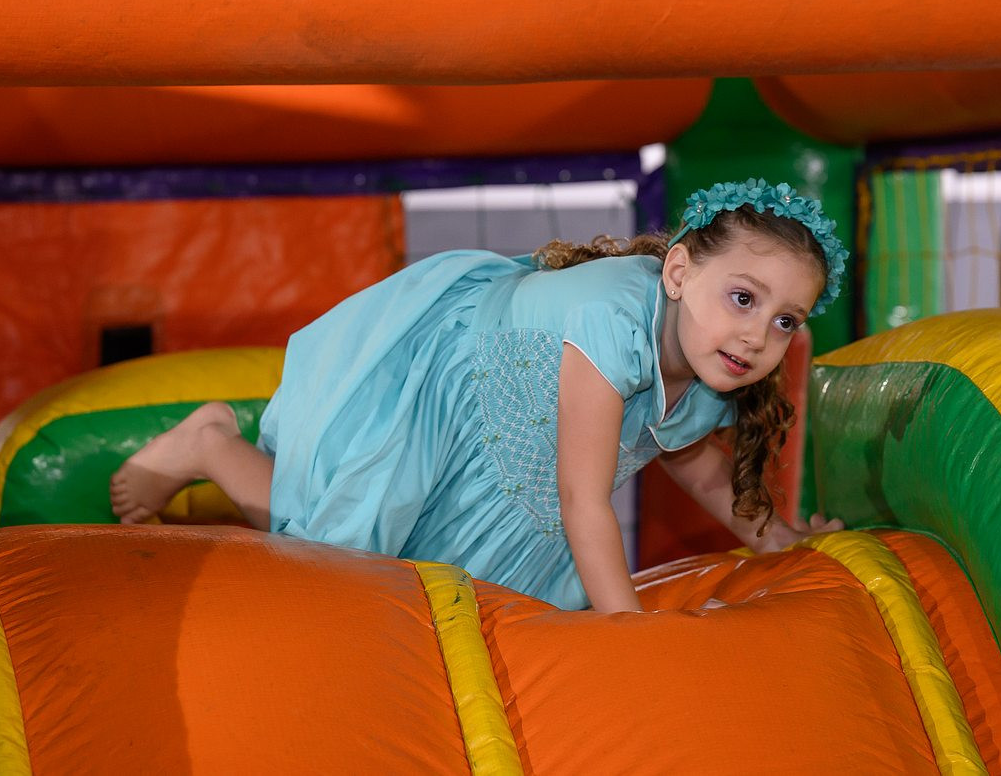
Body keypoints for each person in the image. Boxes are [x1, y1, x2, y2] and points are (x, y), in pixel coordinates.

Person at [110, 178, 849, 613]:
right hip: (450, 382)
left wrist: (779, 542)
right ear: (680, 273)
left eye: (785, 320)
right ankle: (210, 443)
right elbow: (581, 497)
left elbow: (699, 468)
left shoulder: (712, 363)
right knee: (334, 558)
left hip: (521, 458)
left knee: (431, 597)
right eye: (744, 298)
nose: (758, 335)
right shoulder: (611, 320)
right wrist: (627, 628)